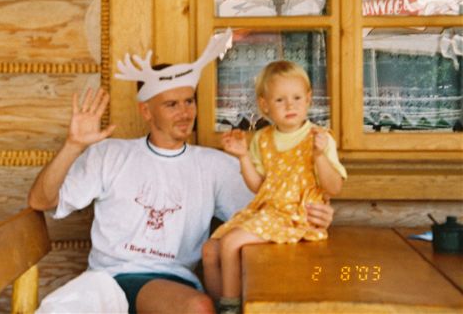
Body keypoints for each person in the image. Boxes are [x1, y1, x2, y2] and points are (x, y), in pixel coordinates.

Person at [28, 33, 336, 314]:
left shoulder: (215, 165)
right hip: (108, 281)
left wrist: (314, 215)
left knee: (198, 307)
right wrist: (73, 146)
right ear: (146, 111)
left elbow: (270, 210)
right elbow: (41, 201)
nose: (185, 113)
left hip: (172, 284)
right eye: (171, 105)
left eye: (189, 101)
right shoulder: (110, 154)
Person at [202, 60, 347, 314]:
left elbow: (334, 188)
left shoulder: (319, 138)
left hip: (296, 216)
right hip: (268, 211)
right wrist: (243, 157)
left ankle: (231, 308)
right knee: (210, 250)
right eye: (280, 100)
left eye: (297, 98)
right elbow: (259, 186)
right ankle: (218, 305)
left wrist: (319, 156)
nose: (290, 105)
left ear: (308, 99)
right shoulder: (263, 138)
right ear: (265, 105)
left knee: (230, 243)